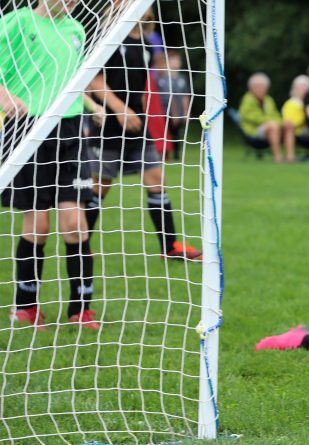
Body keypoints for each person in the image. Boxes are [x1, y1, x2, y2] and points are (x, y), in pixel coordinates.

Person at [1, 0, 98, 330]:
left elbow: (72, 80)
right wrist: (5, 96)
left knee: (75, 224)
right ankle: (25, 307)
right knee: (38, 225)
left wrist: (92, 105)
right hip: (26, 128)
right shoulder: (16, 22)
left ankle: (81, 309)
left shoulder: (76, 30)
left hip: (68, 131)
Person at [84, 7, 202, 262]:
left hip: (138, 122)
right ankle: (82, 244)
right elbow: (95, 81)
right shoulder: (110, 37)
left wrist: (136, 111)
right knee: (100, 186)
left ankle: (170, 247)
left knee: (157, 179)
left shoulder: (148, 43)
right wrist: (119, 109)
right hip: (109, 123)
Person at [239, 72, 292, 162]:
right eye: (257, 86)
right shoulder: (247, 99)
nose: (260, 89)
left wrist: (281, 123)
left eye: (262, 86)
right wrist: (270, 121)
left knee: (289, 125)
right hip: (254, 131)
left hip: (272, 127)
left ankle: (290, 157)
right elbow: (251, 117)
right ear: (251, 88)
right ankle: (277, 157)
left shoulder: (269, 100)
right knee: (272, 126)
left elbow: (276, 115)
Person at [152, 52, 191, 161]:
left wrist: (185, 112)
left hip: (176, 111)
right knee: (164, 132)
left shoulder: (182, 78)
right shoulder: (159, 78)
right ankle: (164, 153)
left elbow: (185, 96)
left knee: (176, 133)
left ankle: (175, 154)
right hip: (163, 111)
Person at [281, 74, 309, 161]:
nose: (303, 89)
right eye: (300, 87)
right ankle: (290, 156)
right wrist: (307, 115)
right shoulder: (291, 104)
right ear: (294, 89)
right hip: (299, 132)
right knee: (289, 127)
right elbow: (291, 122)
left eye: (305, 87)